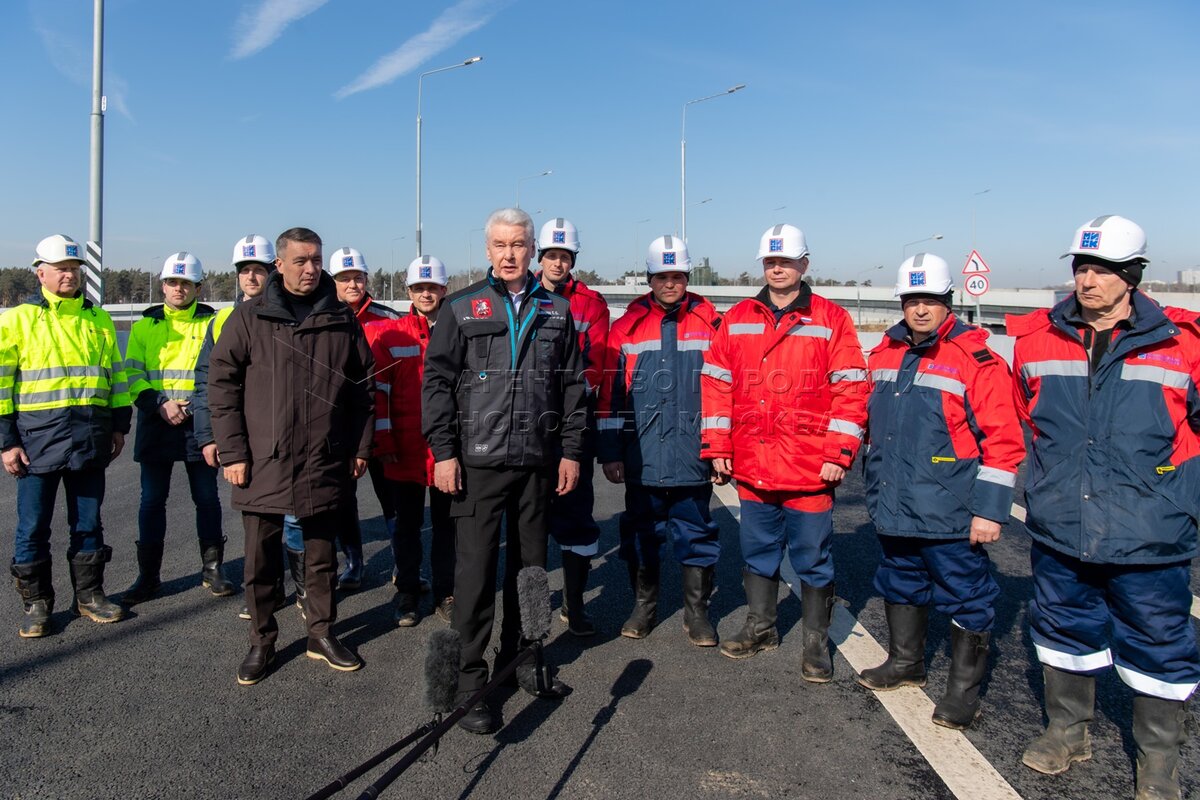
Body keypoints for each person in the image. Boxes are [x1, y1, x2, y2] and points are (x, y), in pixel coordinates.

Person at [1008, 215, 1200, 799]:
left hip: (1150, 527)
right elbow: (1024, 420)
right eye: (1080, 268)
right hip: (1062, 522)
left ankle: (1158, 759)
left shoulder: (1183, 344)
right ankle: (1068, 731)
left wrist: (1177, 491)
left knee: (1159, 638)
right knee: (1064, 626)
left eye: (1101, 270)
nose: (1086, 281)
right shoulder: (1036, 340)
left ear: (1133, 275)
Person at [423, 207, 586, 734]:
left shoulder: (557, 311)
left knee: (532, 572)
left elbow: (573, 389)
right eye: (501, 245)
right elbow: (437, 385)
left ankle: (524, 661)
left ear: (533, 248)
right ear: (487, 250)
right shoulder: (460, 308)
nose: (511, 254)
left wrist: (570, 450)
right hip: (477, 465)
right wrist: (444, 452)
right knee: (473, 575)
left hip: (537, 463)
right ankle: (470, 682)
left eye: (520, 244)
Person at [855, 253, 1024, 729]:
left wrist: (990, 512)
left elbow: (1003, 440)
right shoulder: (885, 353)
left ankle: (962, 692)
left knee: (967, 595)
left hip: (950, 507)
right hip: (893, 502)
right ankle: (906, 663)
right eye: (912, 301)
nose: (921, 310)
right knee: (900, 579)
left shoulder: (976, 359)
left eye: (930, 300)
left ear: (947, 301)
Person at [701, 224, 868, 682]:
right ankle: (761, 627)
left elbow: (851, 390)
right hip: (754, 462)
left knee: (813, 556)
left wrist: (839, 452)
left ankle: (816, 643)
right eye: (771, 262)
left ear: (804, 265)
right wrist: (717, 445)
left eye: (786, 262)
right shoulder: (737, 318)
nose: (777, 269)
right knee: (757, 553)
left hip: (811, 464)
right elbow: (716, 384)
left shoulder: (831, 319)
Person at [208, 227, 374, 685]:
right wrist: (233, 451)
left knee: (320, 557)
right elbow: (221, 386)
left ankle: (320, 634)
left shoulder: (341, 317)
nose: (310, 269)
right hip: (263, 460)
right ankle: (262, 641)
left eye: (316, 260)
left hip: (324, 458)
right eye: (300, 260)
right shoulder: (249, 317)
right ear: (278, 265)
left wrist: (360, 447)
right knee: (260, 562)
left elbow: (363, 389)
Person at [1, 234, 130, 636]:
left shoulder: (98, 318)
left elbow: (116, 377)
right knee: (33, 526)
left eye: (74, 269)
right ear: (40, 272)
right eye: (61, 270)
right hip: (36, 441)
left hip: (89, 437)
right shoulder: (18, 319)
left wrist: (119, 426)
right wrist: (6, 441)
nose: (69, 276)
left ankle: (90, 595)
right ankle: (37, 605)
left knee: (88, 523)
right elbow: (2, 384)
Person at [597, 235, 722, 647]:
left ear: (687, 276)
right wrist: (612, 452)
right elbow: (611, 396)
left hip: (692, 454)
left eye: (677, 276)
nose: (670, 283)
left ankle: (697, 613)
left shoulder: (712, 324)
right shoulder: (626, 328)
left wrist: (722, 450)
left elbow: (728, 390)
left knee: (696, 533)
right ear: (649, 279)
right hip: (642, 455)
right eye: (662, 276)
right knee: (640, 534)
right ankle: (644, 607)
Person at [192, 235, 306, 620]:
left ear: (272, 269)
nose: (251, 277)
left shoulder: (289, 309)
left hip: (282, 434)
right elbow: (212, 380)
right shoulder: (224, 319)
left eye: (258, 269)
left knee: (291, 517)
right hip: (243, 436)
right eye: (245, 271)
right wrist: (210, 436)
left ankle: (304, 587)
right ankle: (266, 592)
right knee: (258, 523)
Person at [122, 252, 233, 604]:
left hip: (200, 423)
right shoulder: (144, 327)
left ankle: (213, 570)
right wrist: (161, 404)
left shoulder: (213, 323)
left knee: (206, 499)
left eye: (186, 283)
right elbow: (133, 376)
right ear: (163, 284)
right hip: (157, 422)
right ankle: (149, 577)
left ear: (198, 287)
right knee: (152, 501)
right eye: (172, 282)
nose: (178, 289)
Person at [363, 255, 455, 628]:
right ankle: (408, 589)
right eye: (419, 288)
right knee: (406, 525)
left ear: (444, 290)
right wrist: (382, 440)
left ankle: (447, 591)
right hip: (402, 449)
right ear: (409, 292)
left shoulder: (460, 331)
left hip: (447, 451)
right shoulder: (391, 333)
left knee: (450, 526)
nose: (426, 294)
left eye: (432, 287)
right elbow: (378, 392)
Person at [533, 218, 609, 636]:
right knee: (529, 519)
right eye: (551, 256)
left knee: (576, 513)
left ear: (573, 258)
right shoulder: (521, 296)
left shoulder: (591, 304)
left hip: (571, 426)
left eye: (565, 256)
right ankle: (529, 610)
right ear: (540, 258)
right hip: (525, 427)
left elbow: (594, 366)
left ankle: (574, 604)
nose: (558, 263)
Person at [327, 247, 402, 590]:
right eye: (345, 279)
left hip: (383, 426)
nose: (353, 284)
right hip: (342, 430)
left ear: (367, 279)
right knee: (344, 500)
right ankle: (354, 563)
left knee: (393, 498)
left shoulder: (389, 319)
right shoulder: (323, 319)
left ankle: (404, 560)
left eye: (358, 277)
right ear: (334, 282)